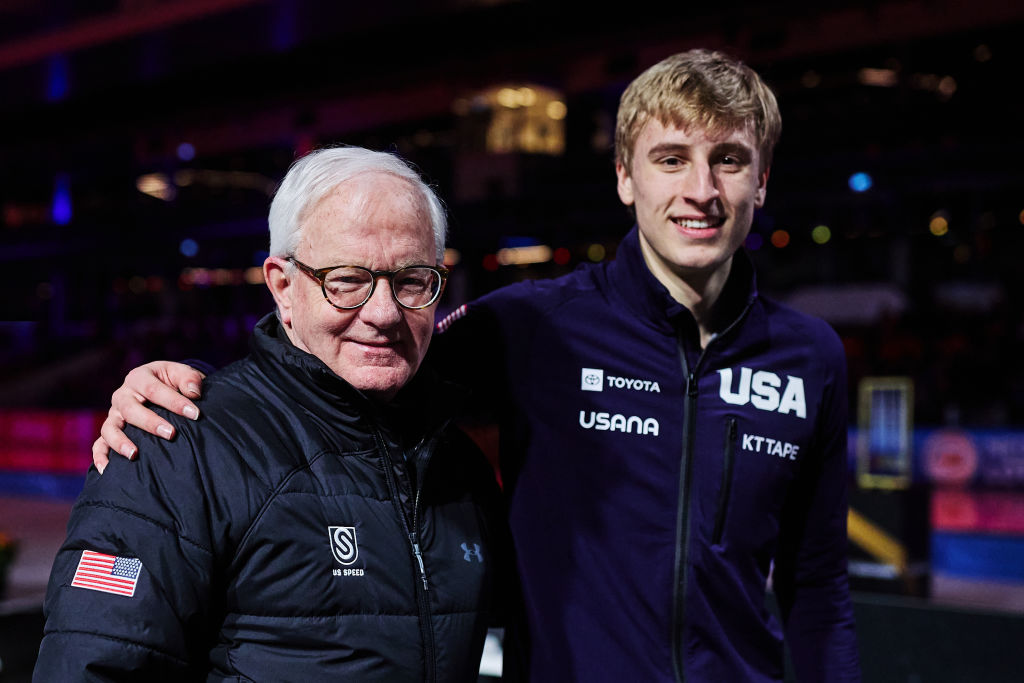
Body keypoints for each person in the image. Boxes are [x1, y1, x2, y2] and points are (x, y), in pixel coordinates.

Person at [93, 49, 861, 681]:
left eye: (730, 160)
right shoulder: (530, 324)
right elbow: (352, 362)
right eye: (671, 158)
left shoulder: (812, 359)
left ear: (762, 180)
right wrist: (188, 384)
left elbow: (817, 584)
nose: (702, 190)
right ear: (626, 176)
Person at [35, 147, 511, 682]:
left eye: (412, 280)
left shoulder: (457, 467)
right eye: (347, 280)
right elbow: (93, 666)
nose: (383, 313)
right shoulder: (175, 442)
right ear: (283, 286)